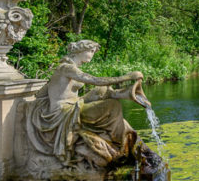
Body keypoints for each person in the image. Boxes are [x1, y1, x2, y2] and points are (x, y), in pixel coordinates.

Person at [25, 40, 145, 169]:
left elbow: (47, 91)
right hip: (64, 111)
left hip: (74, 104)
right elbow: (95, 80)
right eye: (91, 51)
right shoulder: (66, 68)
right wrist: (126, 77)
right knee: (112, 105)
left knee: (102, 90)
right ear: (80, 51)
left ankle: (126, 94)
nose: (92, 54)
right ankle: (117, 141)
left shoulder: (69, 68)